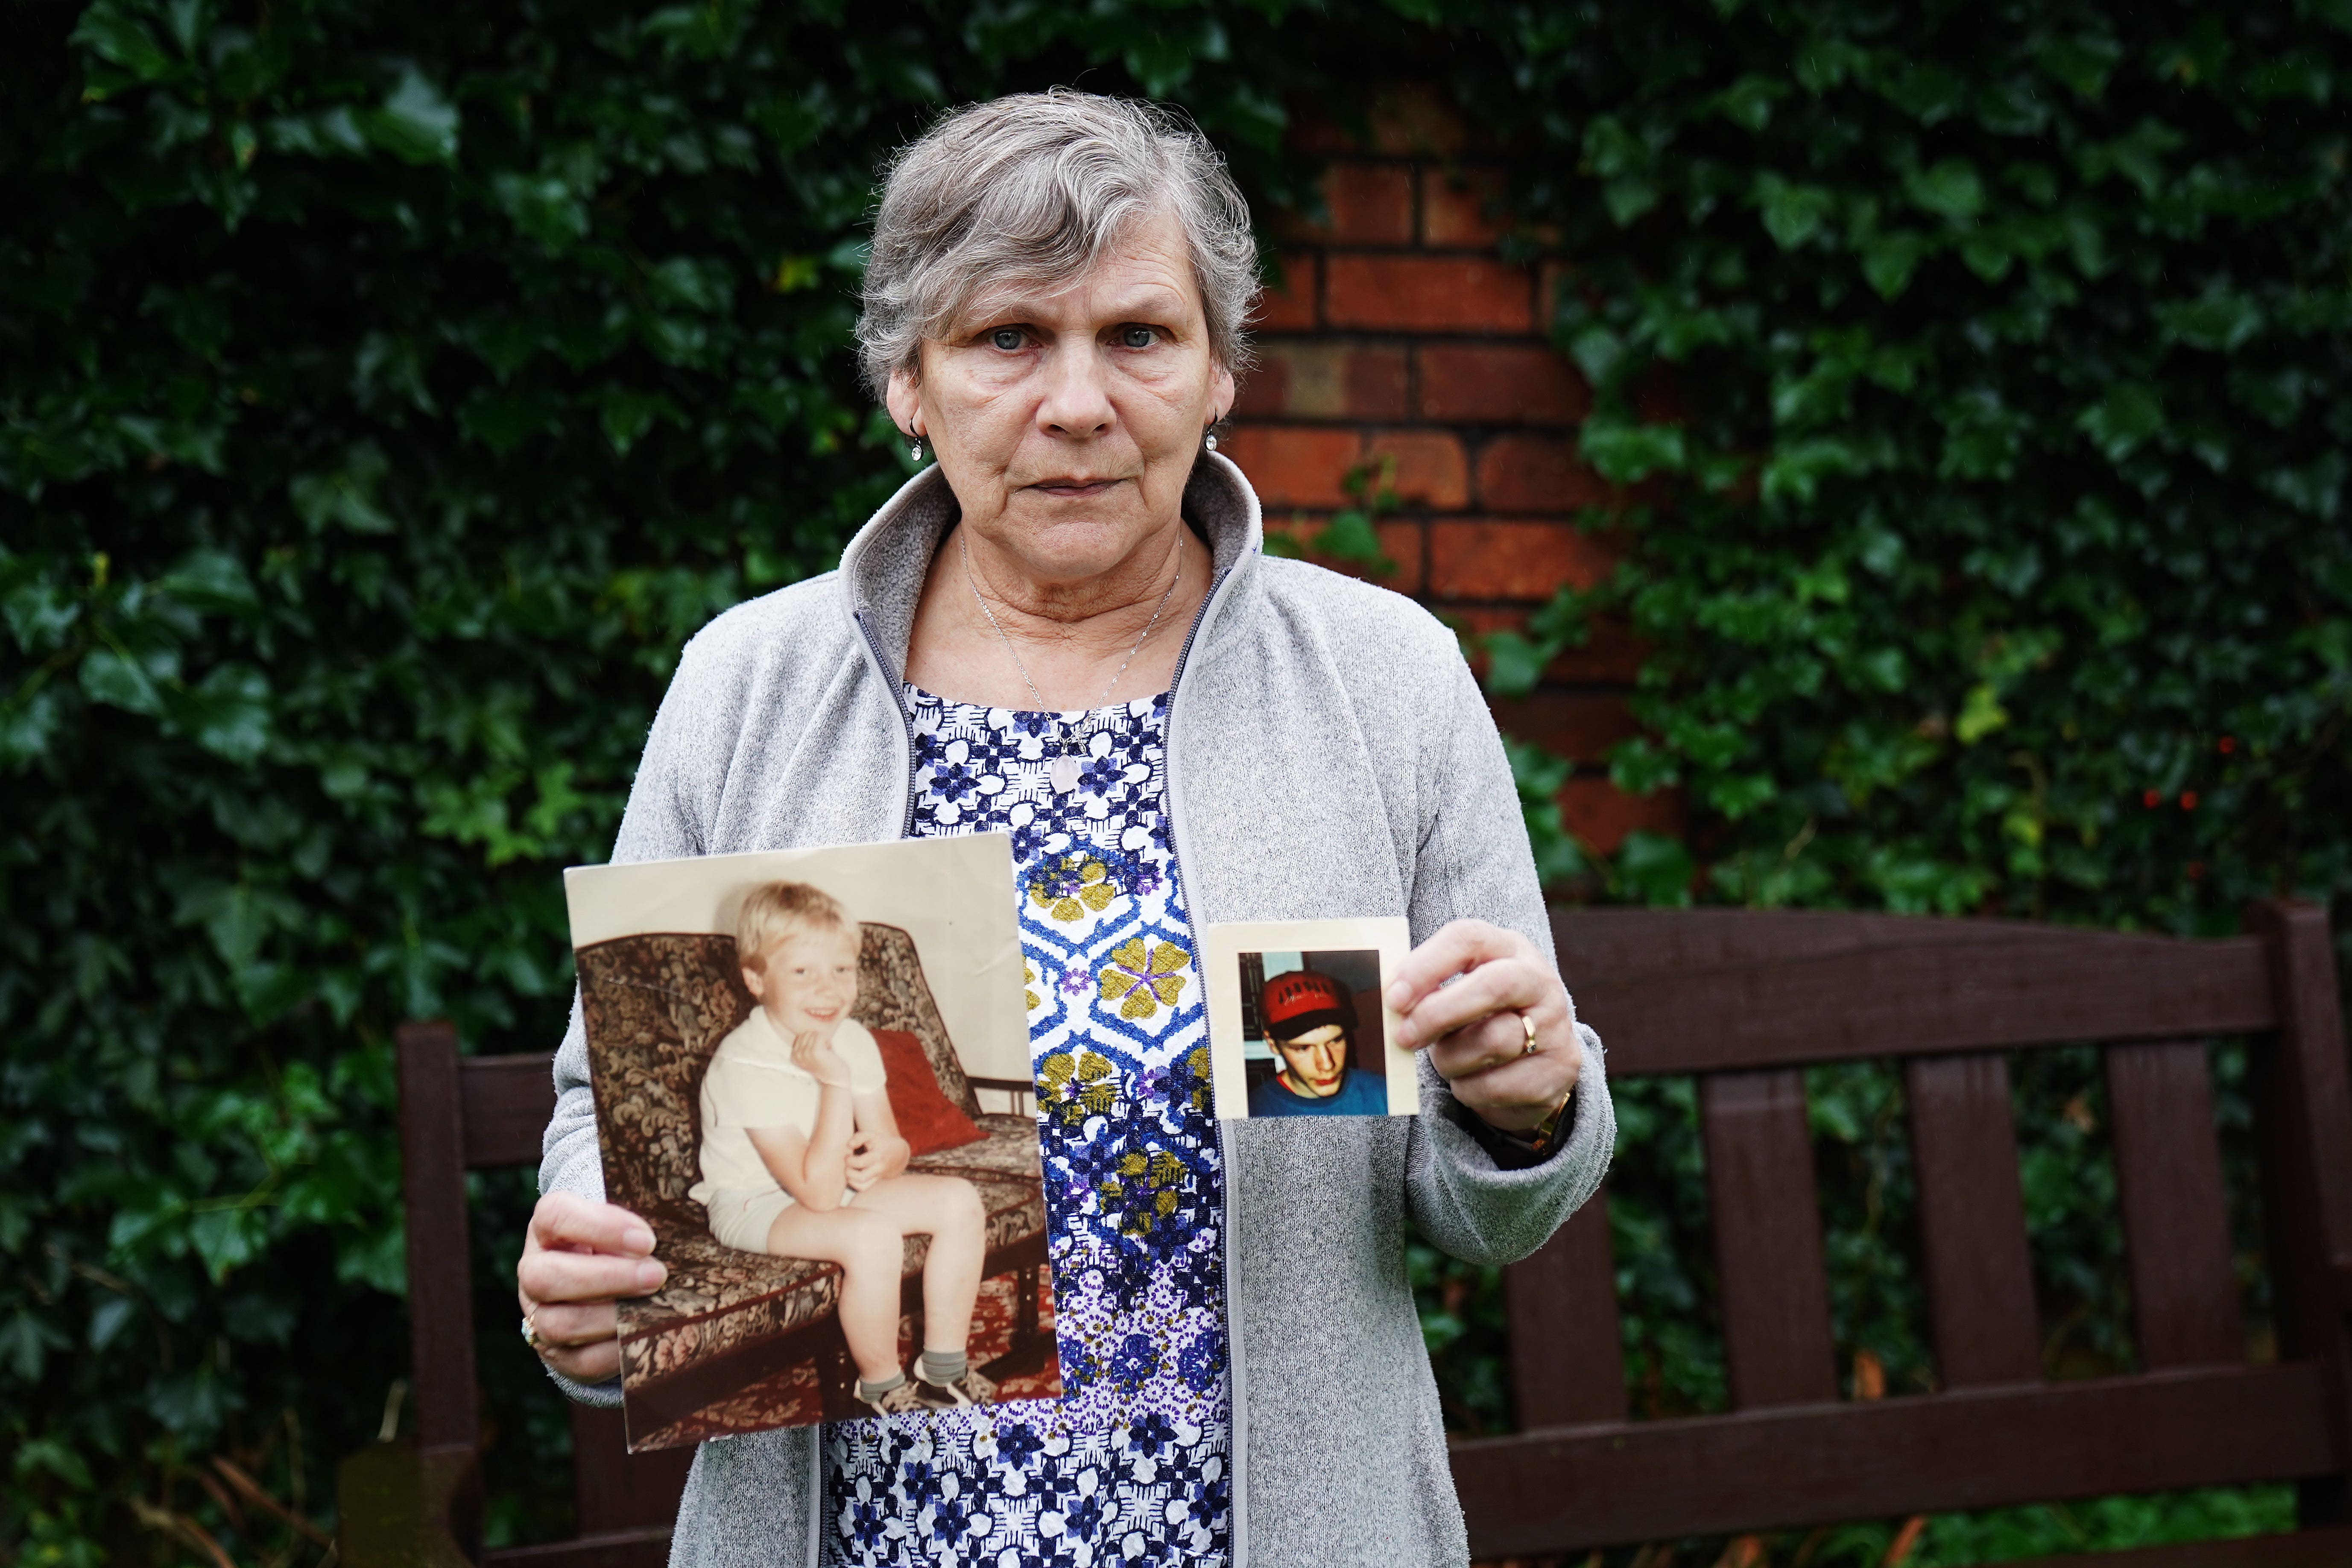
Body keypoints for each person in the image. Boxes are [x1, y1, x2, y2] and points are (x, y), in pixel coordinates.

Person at [515, 89, 1615, 1568]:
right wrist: (597, 1269)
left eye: (1140, 336)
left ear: (1221, 369)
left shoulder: (1381, 684)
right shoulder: (749, 690)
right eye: (1007, 339)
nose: (1079, 404)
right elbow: (613, 1123)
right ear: (908, 379)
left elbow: (1490, 1201)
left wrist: (1524, 1100)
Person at [690, 881, 992, 1416]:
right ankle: (879, 1386)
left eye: (842, 970)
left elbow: (887, 1138)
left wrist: (892, 1154)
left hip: (824, 1183)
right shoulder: (744, 1064)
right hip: (751, 1202)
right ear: (757, 979)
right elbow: (821, 1196)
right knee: (872, 1236)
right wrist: (833, 1083)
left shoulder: (852, 1038)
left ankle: (943, 1370)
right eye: (802, 972)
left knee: (960, 1201)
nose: (828, 990)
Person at [1246, 968, 1388, 1117]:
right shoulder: (1252, 1112)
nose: (1327, 1065)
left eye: (1336, 1040)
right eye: (1303, 1048)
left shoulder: (1385, 1094)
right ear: (1272, 1044)